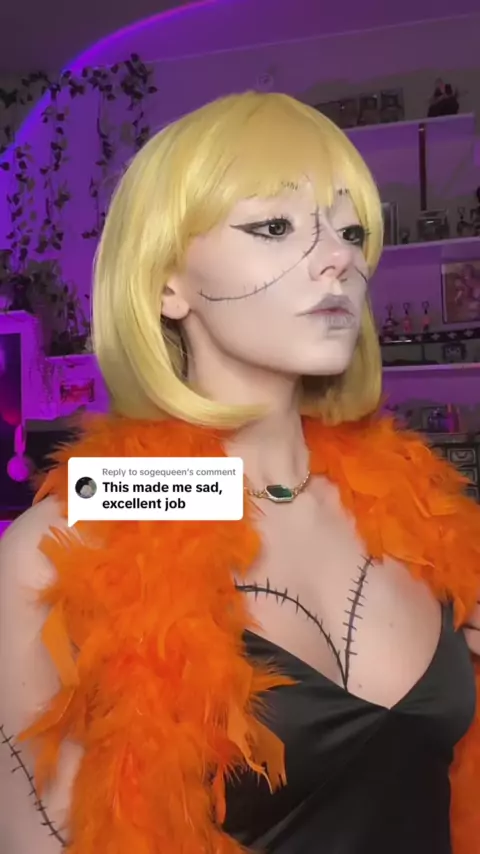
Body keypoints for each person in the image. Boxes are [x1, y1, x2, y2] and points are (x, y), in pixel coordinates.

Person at [1, 91, 480, 854]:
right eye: (274, 226)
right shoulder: (64, 549)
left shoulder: (430, 522)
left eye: (352, 231)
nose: (339, 258)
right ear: (168, 284)